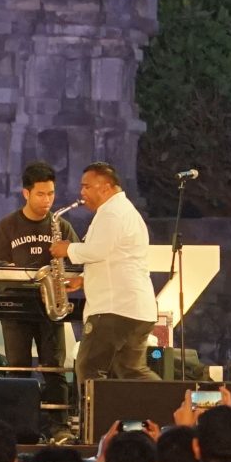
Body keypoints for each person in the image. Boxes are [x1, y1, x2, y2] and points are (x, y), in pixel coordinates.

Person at [0, 163, 80, 394]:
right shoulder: (8, 225)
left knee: (54, 369)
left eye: (51, 193)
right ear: (26, 193)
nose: (47, 200)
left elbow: (77, 262)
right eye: (40, 194)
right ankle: (19, 423)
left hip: (51, 305)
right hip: (16, 304)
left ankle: (58, 425)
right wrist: (6, 268)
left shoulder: (62, 226)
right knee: (17, 369)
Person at [58, 163, 156, 382]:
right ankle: (170, 408)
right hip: (135, 308)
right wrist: (84, 279)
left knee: (89, 369)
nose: (82, 193)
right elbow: (116, 257)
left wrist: (67, 249)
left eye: (86, 187)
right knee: (131, 372)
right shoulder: (122, 210)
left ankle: (97, 417)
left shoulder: (112, 213)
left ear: (105, 187)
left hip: (114, 309)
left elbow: (97, 250)